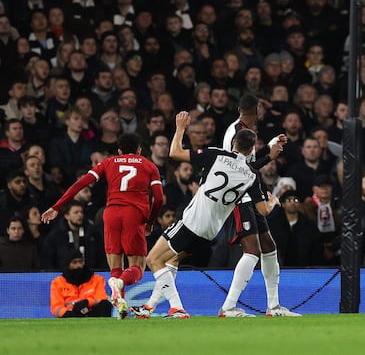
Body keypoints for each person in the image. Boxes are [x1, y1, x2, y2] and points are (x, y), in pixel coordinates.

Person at [133, 111, 279, 319]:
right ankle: (149, 306)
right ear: (251, 150)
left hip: (192, 222)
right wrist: (272, 202)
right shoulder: (251, 175)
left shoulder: (216, 155)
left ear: (234, 142)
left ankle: (177, 308)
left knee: (153, 259)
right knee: (172, 260)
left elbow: (174, 153)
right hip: (211, 232)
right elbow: (263, 210)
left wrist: (181, 128)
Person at [42, 132, 164, 319]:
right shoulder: (149, 165)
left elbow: (80, 183)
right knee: (137, 269)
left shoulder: (109, 162)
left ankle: (121, 308)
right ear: (139, 150)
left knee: (115, 267)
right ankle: (120, 284)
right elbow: (159, 198)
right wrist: (150, 221)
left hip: (112, 213)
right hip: (134, 214)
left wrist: (57, 207)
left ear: (119, 150)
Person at [218, 94, 297, 318]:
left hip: (248, 195)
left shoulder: (240, 129)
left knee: (269, 247)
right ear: (258, 110)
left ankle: (273, 307)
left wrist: (270, 147)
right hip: (239, 196)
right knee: (252, 252)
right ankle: (228, 307)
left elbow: (246, 163)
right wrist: (270, 157)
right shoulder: (237, 132)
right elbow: (239, 169)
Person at [49, 249, 112, 318]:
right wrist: (69, 313)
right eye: (74, 262)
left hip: (91, 312)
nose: (78, 265)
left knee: (106, 305)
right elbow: (56, 307)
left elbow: (101, 298)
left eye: (80, 262)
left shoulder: (97, 279)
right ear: (68, 264)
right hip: (69, 315)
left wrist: (87, 302)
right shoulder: (57, 282)